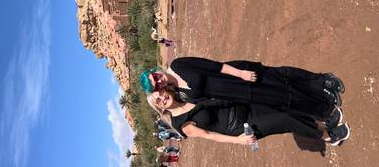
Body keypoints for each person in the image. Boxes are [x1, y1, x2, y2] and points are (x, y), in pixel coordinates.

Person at [140, 57, 344, 120]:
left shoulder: (178, 65)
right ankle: (322, 98)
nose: (159, 79)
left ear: (155, 71)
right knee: (281, 94)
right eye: (156, 84)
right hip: (238, 93)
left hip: (238, 75)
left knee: (280, 75)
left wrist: (240, 73)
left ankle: (323, 80)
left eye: (155, 76)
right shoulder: (178, 93)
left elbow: (212, 66)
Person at [148, 89, 350, 147]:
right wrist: (238, 140)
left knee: (284, 110)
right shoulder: (180, 124)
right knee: (284, 121)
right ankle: (327, 136)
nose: (163, 98)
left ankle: (321, 124)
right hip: (241, 127)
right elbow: (210, 135)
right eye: (159, 101)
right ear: (159, 108)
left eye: (162, 94)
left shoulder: (185, 96)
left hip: (242, 107)